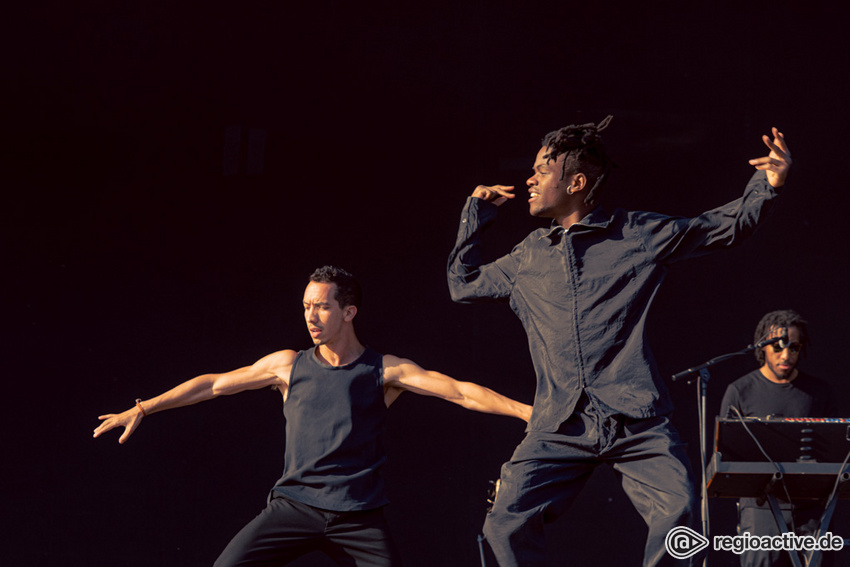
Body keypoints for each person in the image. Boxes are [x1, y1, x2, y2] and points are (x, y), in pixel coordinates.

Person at [447, 116, 792, 566]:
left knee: (680, 512)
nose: (529, 179)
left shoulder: (635, 234)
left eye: (541, 171)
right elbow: (462, 283)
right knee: (505, 520)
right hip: (560, 423)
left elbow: (720, 227)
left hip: (635, 418)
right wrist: (477, 211)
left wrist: (767, 183)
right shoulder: (528, 256)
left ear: (576, 181)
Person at [94, 265, 532, 567]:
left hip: (358, 516)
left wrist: (529, 413)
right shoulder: (288, 365)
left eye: (321, 306)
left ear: (348, 311)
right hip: (294, 507)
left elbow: (461, 392)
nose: (311, 316)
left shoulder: (384, 370)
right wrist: (144, 407)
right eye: (306, 306)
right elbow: (213, 383)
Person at [719, 309, 835, 567]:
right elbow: (726, 456)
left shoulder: (818, 392)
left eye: (794, 348)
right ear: (762, 346)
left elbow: (833, 450)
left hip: (810, 509)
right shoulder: (740, 391)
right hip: (761, 509)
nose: (786, 355)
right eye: (778, 346)